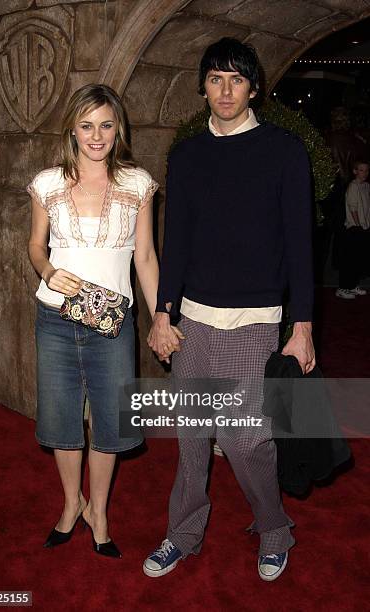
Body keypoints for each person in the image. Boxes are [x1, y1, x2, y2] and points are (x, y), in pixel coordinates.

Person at [143, 37, 315, 581]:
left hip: (254, 323)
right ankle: (183, 533)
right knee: (192, 439)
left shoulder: (285, 151)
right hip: (193, 320)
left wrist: (303, 326)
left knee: (247, 438)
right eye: (215, 78)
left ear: (254, 88)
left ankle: (273, 529)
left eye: (235, 79)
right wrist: (164, 313)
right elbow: (178, 243)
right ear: (203, 87)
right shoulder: (188, 155)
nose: (224, 89)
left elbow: (301, 246)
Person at [27, 84, 160, 557]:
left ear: (118, 127)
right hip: (55, 317)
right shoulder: (47, 183)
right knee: (63, 420)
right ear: (72, 129)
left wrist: (159, 316)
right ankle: (71, 504)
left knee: (109, 423)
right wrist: (47, 271)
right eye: (87, 125)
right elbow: (34, 245)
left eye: (106, 125)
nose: (96, 135)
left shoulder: (138, 183)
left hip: (112, 321)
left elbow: (144, 256)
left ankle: (98, 511)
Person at [335, 160, 370, 299]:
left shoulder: (366, 186)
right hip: (354, 228)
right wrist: (357, 225)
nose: (364, 173)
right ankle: (343, 288)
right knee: (349, 260)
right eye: (361, 170)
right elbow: (353, 207)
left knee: (358, 260)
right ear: (355, 171)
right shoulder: (353, 186)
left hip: (364, 227)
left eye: (367, 170)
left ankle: (353, 286)